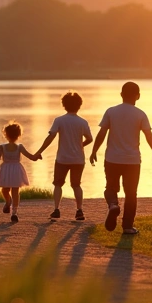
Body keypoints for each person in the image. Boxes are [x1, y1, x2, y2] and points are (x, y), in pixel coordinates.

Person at [89, 81, 152, 235]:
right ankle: (128, 227)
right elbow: (149, 136)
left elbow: (102, 134)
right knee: (131, 193)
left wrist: (94, 151)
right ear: (138, 96)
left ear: (121, 95)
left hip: (112, 158)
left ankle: (113, 205)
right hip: (132, 161)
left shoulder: (111, 112)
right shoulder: (140, 114)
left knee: (110, 188)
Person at [33, 91, 93, 221]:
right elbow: (90, 139)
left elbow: (51, 136)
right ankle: (79, 210)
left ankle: (56, 210)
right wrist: (80, 145)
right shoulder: (83, 122)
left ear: (64, 105)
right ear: (79, 105)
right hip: (78, 159)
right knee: (76, 185)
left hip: (62, 159)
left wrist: (39, 151)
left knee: (58, 184)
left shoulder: (59, 120)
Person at [0, 122, 40, 223]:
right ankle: (10, 204)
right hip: (15, 170)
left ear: (6, 135)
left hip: (7, 170)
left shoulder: (13, 147)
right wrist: (37, 156)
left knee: (8, 190)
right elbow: (32, 157)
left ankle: (14, 212)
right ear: (19, 135)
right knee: (10, 191)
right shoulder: (5, 147)